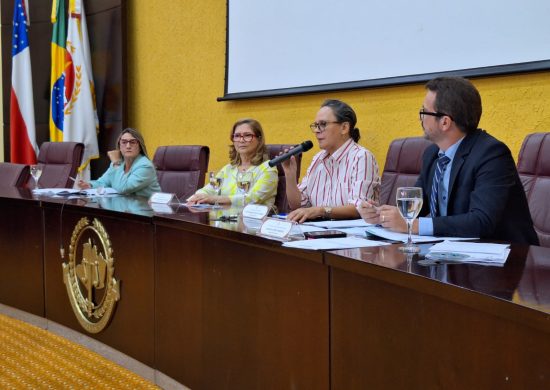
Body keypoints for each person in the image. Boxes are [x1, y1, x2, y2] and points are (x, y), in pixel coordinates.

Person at [358, 77, 539, 245]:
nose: (420, 119)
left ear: (445, 122)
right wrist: (383, 215)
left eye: (424, 112)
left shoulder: (491, 154)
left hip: (507, 260)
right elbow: (416, 206)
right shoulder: (432, 154)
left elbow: (482, 221)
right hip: (453, 252)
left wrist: (414, 226)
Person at [282, 99, 380, 223]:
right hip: (319, 231)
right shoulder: (318, 159)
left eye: (323, 124)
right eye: (316, 125)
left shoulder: (361, 157)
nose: (317, 130)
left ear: (344, 128)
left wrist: (321, 210)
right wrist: (290, 175)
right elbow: (298, 205)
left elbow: (359, 208)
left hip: (351, 236)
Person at [187, 118, 278, 207]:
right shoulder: (228, 169)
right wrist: (198, 196)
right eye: (237, 136)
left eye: (247, 135)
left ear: (259, 139)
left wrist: (214, 199)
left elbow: (252, 199)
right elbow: (207, 190)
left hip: (254, 220)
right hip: (226, 219)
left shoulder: (268, 168)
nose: (241, 140)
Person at [78, 128, 161, 197]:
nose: (128, 146)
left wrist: (116, 163)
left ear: (139, 146)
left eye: (132, 142)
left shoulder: (145, 166)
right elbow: (103, 182)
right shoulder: (119, 162)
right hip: (126, 208)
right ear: (119, 146)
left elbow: (123, 188)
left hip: (145, 210)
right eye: (124, 142)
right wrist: (89, 185)